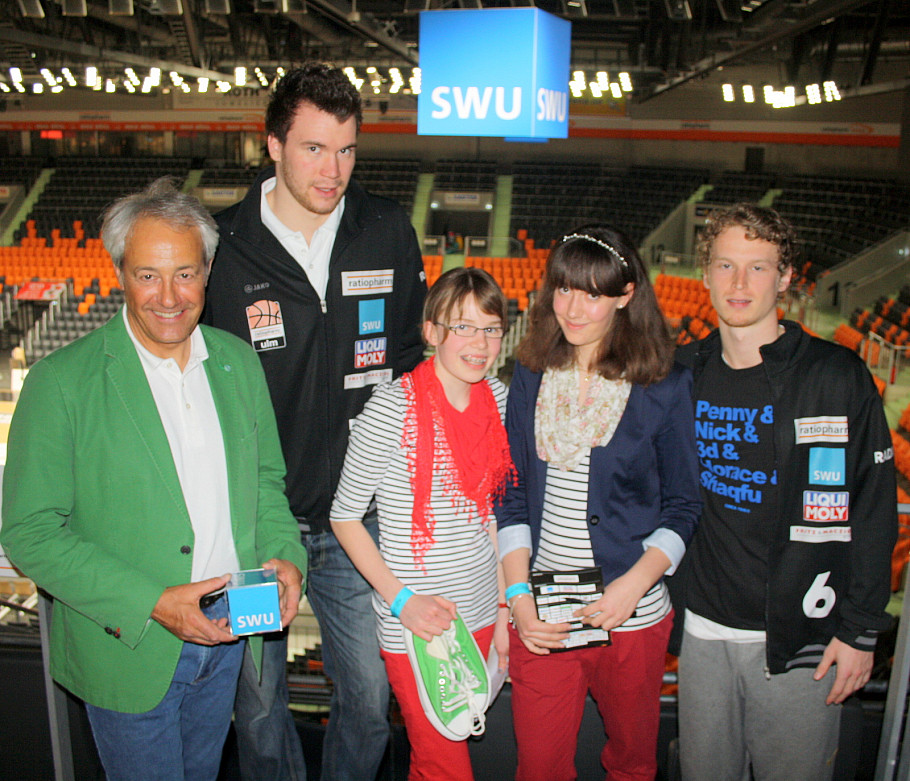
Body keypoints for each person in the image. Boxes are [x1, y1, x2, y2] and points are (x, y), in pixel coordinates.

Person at [0, 178, 307, 781]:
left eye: (185, 273)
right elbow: (29, 533)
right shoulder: (60, 382)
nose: (169, 296)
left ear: (209, 270)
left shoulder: (238, 362)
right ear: (120, 271)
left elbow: (266, 484)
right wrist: (154, 604)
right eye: (148, 275)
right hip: (128, 647)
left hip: (228, 633)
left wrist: (286, 555)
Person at [202, 62, 427, 781]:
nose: (333, 171)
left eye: (347, 149)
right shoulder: (222, 245)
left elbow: (409, 360)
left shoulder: (385, 230)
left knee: (369, 700)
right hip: (254, 524)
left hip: (358, 521)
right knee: (257, 708)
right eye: (313, 148)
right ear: (272, 145)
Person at [674, 202, 897, 780]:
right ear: (705, 274)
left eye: (758, 267)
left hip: (803, 637)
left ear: (786, 277)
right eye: (725, 266)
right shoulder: (681, 372)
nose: (739, 284)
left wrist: (860, 630)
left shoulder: (836, 375)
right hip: (702, 630)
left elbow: (874, 509)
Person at [496, 226, 702, 781]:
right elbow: (511, 492)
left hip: (631, 614)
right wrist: (517, 597)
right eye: (564, 289)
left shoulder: (665, 385)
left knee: (632, 765)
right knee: (539, 768)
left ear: (625, 295)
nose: (572, 308)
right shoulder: (531, 373)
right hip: (544, 611)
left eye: (591, 294)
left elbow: (684, 505)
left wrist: (632, 587)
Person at [330, 267, 512, 781]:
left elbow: (494, 513)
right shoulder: (391, 408)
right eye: (463, 327)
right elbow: (344, 516)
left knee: (439, 765)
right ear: (432, 332)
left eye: (491, 329)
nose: (480, 343)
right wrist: (402, 601)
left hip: (483, 610)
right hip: (418, 623)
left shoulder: (498, 398)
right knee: (443, 767)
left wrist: (503, 610)